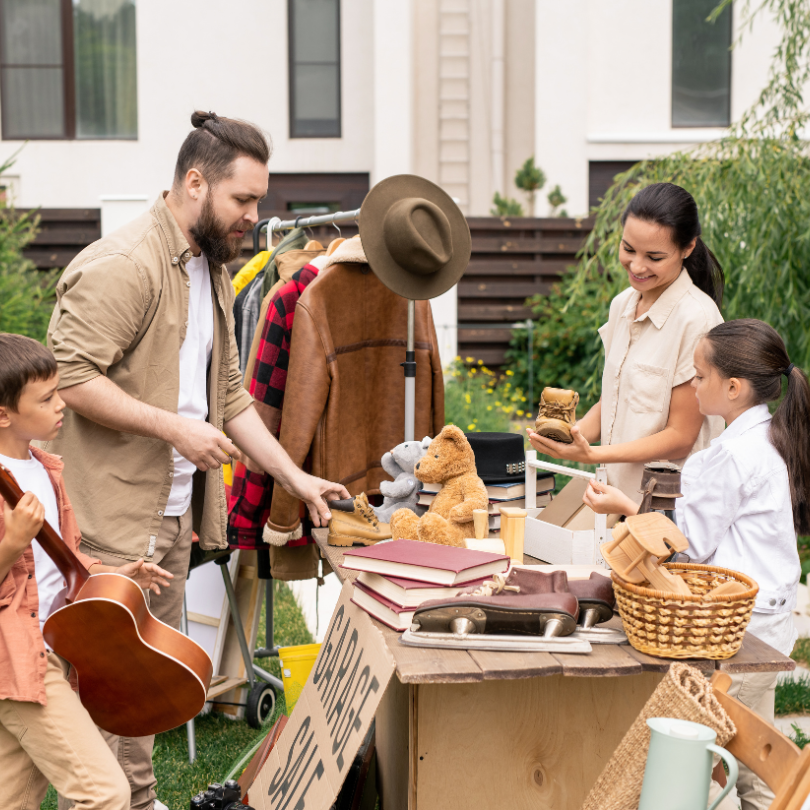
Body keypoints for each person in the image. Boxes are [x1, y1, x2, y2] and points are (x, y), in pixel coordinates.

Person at [44, 111, 350, 810]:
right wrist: (174, 430)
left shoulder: (209, 269)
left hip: (168, 517)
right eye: (243, 200)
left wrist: (296, 479)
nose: (254, 216)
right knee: (100, 700)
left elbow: (232, 398)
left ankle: (137, 799)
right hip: (106, 520)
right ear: (193, 183)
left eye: (258, 202)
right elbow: (67, 376)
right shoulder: (124, 265)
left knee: (138, 697)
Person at [585, 319, 804, 810]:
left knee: (691, 758)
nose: (692, 385)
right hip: (770, 620)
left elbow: (686, 548)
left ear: (732, 387)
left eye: (699, 377)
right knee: (757, 757)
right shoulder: (773, 434)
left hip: (733, 631)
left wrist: (625, 505)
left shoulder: (726, 456)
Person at [0, 334, 175, 810]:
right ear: (3, 414)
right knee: (104, 792)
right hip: (19, 658)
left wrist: (116, 575)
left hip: (52, 645)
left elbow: (61, 564)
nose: (62, 404)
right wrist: (11, 541)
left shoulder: (43, 466)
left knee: (13, 795)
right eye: (46, 398)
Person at [528, 182, 725, 505]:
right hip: (615, 500)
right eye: (629, 249)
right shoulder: (622, 305)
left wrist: (592, 454)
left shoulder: (698, 320)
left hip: (669, 509)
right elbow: (617, 401)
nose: (636, 266)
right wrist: (565, 436)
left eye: (654, 257)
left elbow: (680, 436)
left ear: (687, 248)